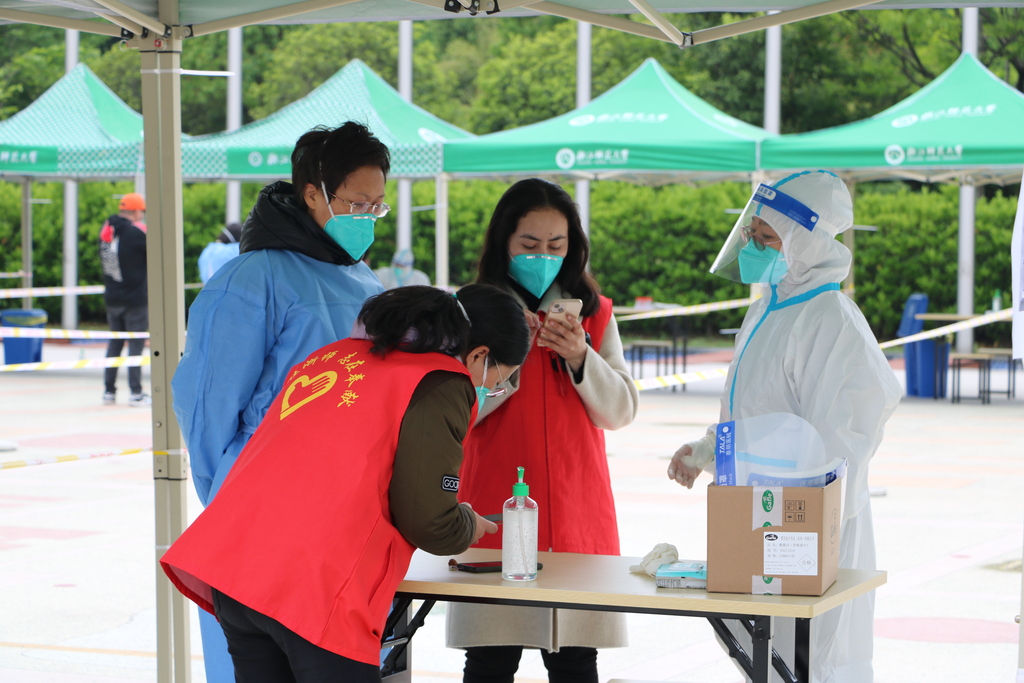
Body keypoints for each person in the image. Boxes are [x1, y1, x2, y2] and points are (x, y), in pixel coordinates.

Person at [162, 284, 530, 682]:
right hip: (312, 589)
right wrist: (467, 524)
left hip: (237, 568)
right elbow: (430, 521)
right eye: (497, 382)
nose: (489, 392)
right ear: (478, 355)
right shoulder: (442, 382)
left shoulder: (333, 355)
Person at [170, 121, 390, 683]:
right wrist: (233, 497)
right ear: (313, 193)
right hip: (264, 521)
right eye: (357, 204)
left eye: (377, 207)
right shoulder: (251, 280)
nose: (367, 218)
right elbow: (207, 406)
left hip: (343, 521)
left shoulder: (365, 281)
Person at [666, 170, 902, 683]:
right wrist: (708, 449)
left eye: (767, 237)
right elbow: (755, 412)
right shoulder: (766, 311)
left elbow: (840, 442)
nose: (754, 246)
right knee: (765, 656)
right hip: (761, 517)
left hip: (803, 527)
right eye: (751, 233)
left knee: (812, 661)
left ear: (806, 242)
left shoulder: (831, 319)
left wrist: (801, 519)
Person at [446, 178, 639, 683]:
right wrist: (512, 362)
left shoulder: (593, 314)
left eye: (556, 245)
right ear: (504, 243)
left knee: (574, 657)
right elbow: (452, 414)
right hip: (494, 510)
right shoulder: (473, 313)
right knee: (489, 656)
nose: (544, 257)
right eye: (529, 244)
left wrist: (580, 356)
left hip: (575, 510)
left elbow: (620, 412)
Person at [99, 192, 150, 407]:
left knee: (115, 344)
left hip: (113, 297)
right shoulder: (137, 232)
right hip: (135, 299)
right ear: (136, 211)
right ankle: (136, 393)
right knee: (136, 345)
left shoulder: (107, 230)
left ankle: (109, 391)